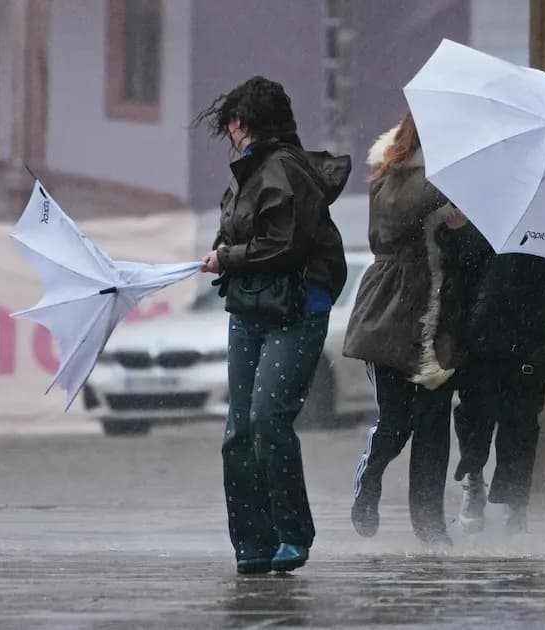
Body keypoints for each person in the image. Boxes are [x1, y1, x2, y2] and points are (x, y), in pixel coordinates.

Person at [195, 76, 351, 574]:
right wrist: (222, 251)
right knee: (238, 430)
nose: (229, 132)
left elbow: (284, 244)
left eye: (231, 123)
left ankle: (291, 534)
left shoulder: (284, 169)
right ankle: (252, 544)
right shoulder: (246, 174)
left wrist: (228, 257)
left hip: (296, 308)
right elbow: (237, 232)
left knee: (267, 418)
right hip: (249, 308)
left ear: (243, 122)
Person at [342, 112, 470, 547]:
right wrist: (446, 194)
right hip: (392, 311)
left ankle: (430, 527)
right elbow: (397, 215)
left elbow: (468, 254)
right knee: (396, 421)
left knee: (433, 424)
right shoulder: (391, 173)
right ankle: (370, 478)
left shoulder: (457, 183)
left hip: (440, 317)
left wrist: (460, 226)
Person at [452, 246, 545, 536]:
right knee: (475, 418)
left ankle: (515, 502)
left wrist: (544, 354)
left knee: (521, 425)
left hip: (526, 343)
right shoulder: (481, 234)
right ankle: (474, 481)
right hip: (481, 343)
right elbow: (460, 277)